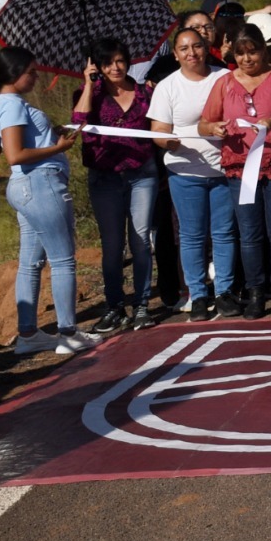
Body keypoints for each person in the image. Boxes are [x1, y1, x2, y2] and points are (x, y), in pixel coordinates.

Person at [0, 48, 98, 354]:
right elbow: (15, 154)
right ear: (14, 74)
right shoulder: (11, 105)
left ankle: (28, 334)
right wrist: (58, 148)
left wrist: (51, 135)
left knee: (31, 261)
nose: (36, 77)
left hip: (28, 186)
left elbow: (25, 145)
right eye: (31, 72)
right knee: (63, 259)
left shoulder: (8, 103)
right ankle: (68, 332)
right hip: (40, 184)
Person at [199, 25, 271, 319]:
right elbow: (204, 123)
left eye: (253, 51)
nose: (247, 59)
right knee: (249, 233)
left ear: (263, 49)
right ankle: (256, 292)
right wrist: (214, 128)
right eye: (241, 53)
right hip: (240, 168)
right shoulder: (225, 82)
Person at [72, 38, 159, 334]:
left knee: (141, 240)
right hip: (104, 177)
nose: (116, 67)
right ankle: (114, 307)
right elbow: (78, 123)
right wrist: (87, 83)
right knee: (112, 246)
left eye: (120, 60)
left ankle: (143, 305)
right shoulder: (88, 95)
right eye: (108, 63)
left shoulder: (146, 93)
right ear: (98, 66)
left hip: (142, 174)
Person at [149, 26, 237, 320]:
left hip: (224, 168)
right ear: (175, 55)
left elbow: (238, 117)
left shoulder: (224, 77)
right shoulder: (167, 87)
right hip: (184, 172)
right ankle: (198, 295)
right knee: (191, 235)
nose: (192, 53)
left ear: (205, 47)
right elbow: (158, 133)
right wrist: (168, 141)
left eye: (197, 46)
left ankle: (225, 292)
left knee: (224, 233)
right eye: (184, 48)